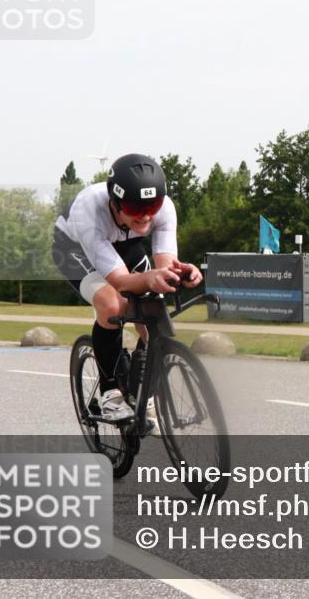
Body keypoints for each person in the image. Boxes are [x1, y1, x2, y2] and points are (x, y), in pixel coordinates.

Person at [52, 154, 203, 421]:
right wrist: (147, 279)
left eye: (152, 206)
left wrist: (180, 272)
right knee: (113, 303)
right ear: (115, 202)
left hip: (125, 243)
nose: (145, 216)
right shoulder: (89, 209)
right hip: (75, 249)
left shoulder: (164, 208)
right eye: (135, 208)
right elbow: (120, 281)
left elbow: (164, 263)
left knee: (153, 304)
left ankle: (145, 386)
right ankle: (110, 393)